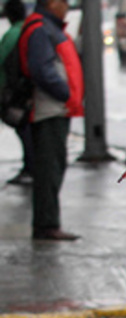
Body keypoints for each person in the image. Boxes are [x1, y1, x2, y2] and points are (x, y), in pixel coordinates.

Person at [20, 0, 82, 240]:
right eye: (64, 2)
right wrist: (65, 93)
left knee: (53, 165)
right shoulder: (41, 29)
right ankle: (46, 224)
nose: (67, 6)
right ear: (52, 3)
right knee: (49, 168)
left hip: (56, 108)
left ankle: (47, 222)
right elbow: (42, 69)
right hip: (49, 109)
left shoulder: (48, 27)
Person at [1, 0, 34, 186]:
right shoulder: (30, 30)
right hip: (28, 90)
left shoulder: (12, 34)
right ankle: (30, 166)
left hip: (16, 92)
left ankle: (29, 167)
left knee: (23, 129)